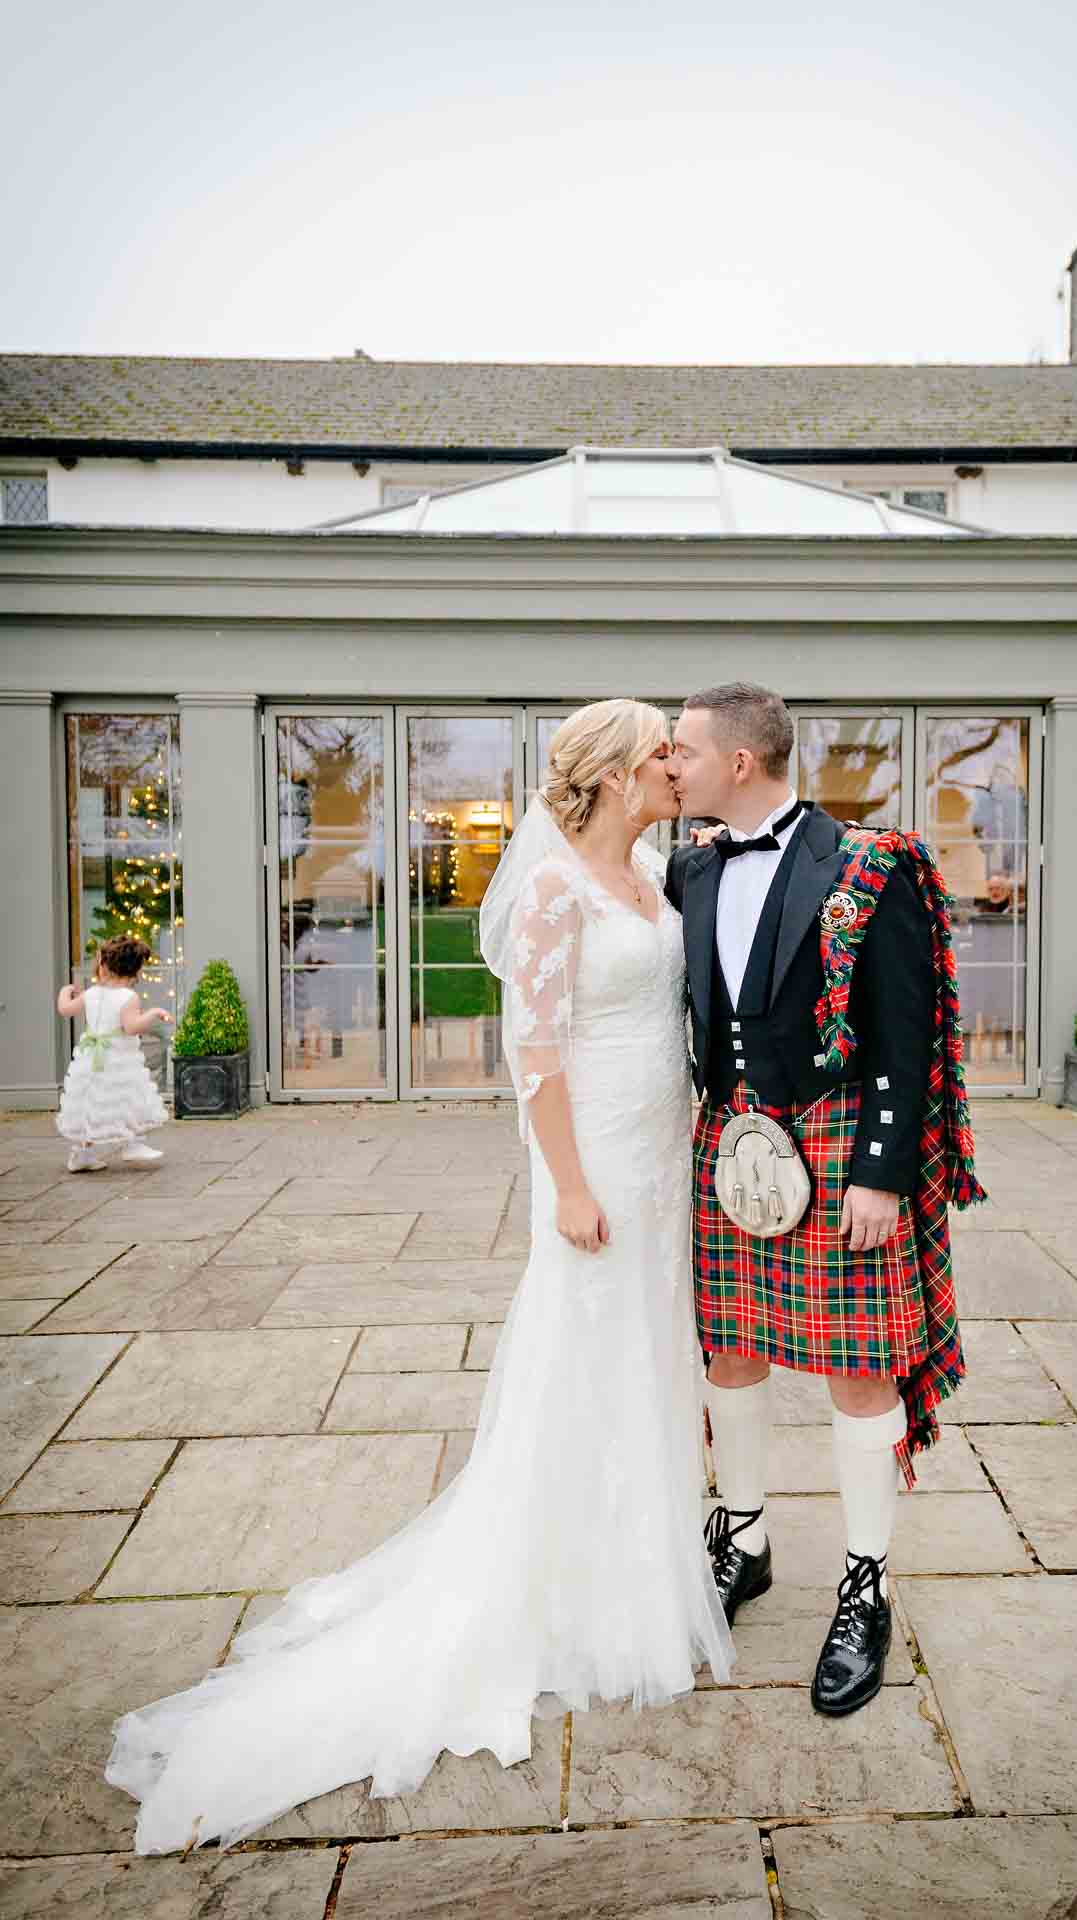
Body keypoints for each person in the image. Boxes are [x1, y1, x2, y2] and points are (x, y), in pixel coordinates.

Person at [103, 698, 734, 1856]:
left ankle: (627, 1572)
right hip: (591, 1162)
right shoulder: (553, 893)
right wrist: (572, 1187)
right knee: (579, 1358)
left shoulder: (657, 874)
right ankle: (554, 1582)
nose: (671, 767)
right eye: (657, 751)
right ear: (606, 773)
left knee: (650, 1357)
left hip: (661, 1163)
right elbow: (533, 1054)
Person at [666, 682, 985, 1719]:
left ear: (742, 762)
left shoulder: (867, 866)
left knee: (859, 1367)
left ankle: (865, 1584)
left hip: (841, 1138)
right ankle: (745, 1539)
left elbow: (906, 1027)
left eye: (684, 751)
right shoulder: (691, 867)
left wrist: (885, 1171)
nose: (673, 767)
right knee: (731, 1349)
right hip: (731, 1142)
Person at [54, 935, 173, 1171]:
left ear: (104, 964)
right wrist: (153, 1013)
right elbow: (132, 1028)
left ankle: (82, 1153)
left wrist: (64, 992)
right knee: (127, 1098)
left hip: (89, 1060)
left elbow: (65, 1009)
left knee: (92, 1104)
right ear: (136, 970)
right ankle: (133, 1144)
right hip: (117, 1059)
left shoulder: (91, 993)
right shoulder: (128, 997)